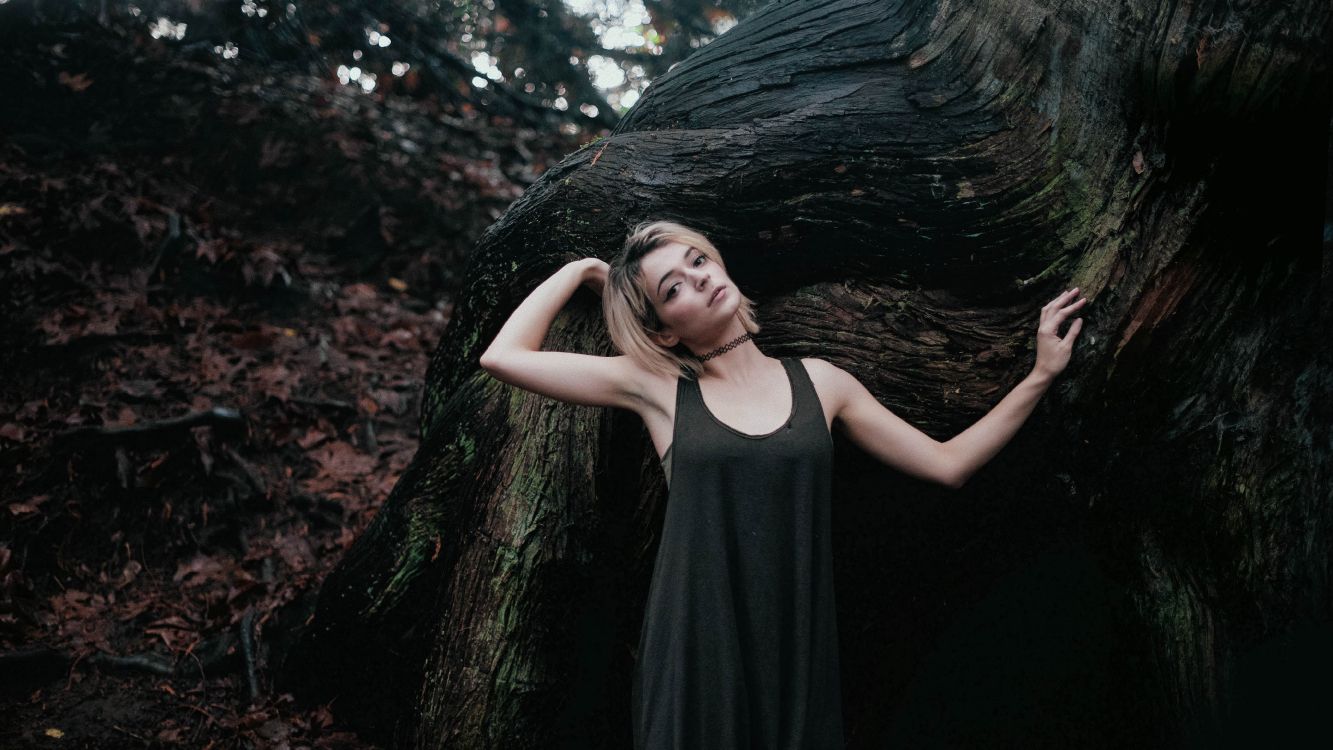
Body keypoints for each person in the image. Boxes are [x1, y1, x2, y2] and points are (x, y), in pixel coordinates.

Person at [479, 219, 1088, 749]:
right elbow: (504, 356)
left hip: (796, 648)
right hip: (697, 650)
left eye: (698, 261)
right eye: (673, 289)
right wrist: (584, 268)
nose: (699, 279)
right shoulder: (656, 386)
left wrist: (1038, 375)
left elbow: (948, 465)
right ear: (664, 330)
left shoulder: (823, 383)